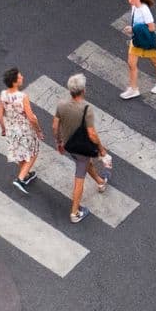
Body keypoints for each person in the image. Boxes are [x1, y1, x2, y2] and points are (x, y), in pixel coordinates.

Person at [51, 73, 109, 225]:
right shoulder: (86, 109)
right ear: (83, 90)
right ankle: (75, 212)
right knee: (79, 178)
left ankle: (100, 182)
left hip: (69, 145)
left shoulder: (61, 105)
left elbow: (55, 126)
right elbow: (92, 134)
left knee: (84, 163)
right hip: (81, 147)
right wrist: (101, 150)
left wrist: (59, 142)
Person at [0, 69, 41, 193]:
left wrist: (4, 129)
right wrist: (39, 131)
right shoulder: (23, 97)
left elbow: (0, 115)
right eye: (20, 76)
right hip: (25, 130)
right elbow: (31, 117)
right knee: (34, 152)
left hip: (11, 130)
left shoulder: (3, 94)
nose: (22, 76)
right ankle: (20, 179)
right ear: (15, 82)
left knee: (20, 153)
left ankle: (26, 175)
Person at [121, 0, 156, 100]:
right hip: (137, 39)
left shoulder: (144, 10)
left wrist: (134, 29)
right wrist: (132, 28)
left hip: (147, 40)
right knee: (131, 63)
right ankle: (133, 89)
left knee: (155, 61)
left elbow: (151, 28)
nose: (129, 1)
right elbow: (137, 24)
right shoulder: (134, 7)